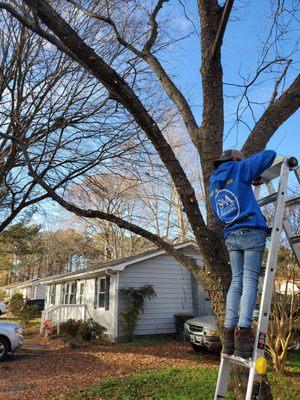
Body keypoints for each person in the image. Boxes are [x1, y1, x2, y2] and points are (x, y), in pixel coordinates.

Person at [209, 149, 276, 358]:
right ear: (235, 159)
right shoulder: (239, 169)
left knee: (236, 282)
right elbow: (270, 155)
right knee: (248, 281)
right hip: (251, 231)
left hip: (231, 234)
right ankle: (244, 331)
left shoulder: (213, 184)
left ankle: (229, 334)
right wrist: (246, 166)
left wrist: (249, 178)